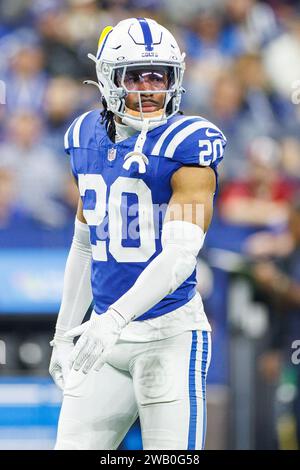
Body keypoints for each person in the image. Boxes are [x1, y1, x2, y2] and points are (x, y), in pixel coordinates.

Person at [49, 17, 226, 450]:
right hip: (104, 341)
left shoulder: (188, 142)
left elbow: (181, 255)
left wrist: (112, 319)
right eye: (135, 76)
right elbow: (84, 243)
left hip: (169, 335)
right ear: (108, 80)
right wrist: (64, 332)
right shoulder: (84, 135)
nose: (149, 88)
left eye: (159, 75)